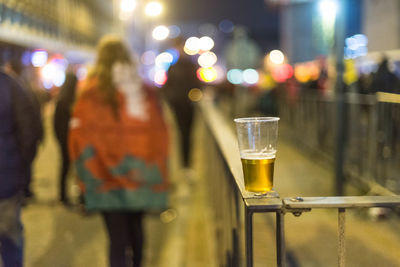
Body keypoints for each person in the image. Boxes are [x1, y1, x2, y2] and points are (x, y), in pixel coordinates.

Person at [68, 35, 169, 267]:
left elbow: (78, 141)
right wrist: (160, 177)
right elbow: (160, 135)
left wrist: (83, 180)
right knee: (137, 231)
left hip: (103, 177)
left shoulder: (89, 95)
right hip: (139, 174)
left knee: (116, 240)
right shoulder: (144, 91)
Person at [0, 55, 42, 266]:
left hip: (6, 176)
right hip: (6, 178)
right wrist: (22, 168)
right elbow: (29, 131)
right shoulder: (11, 86)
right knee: (10, 238)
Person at [162, 37, 202, 169]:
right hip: (177, 105)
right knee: (179, 134)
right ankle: (181, 166)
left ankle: (186, 165)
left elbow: (198, 85)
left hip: (188, 104)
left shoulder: (190, 66)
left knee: (187, 134)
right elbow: (166, 87)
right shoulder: (173, 67)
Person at [53, 71, 78, 205]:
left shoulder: (61, 101)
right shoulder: (68, 102)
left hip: (65, 140)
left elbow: (55, 125)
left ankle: (63, 195)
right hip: (69, 140)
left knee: (64, 167)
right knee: (70, 167)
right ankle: (66, 195)